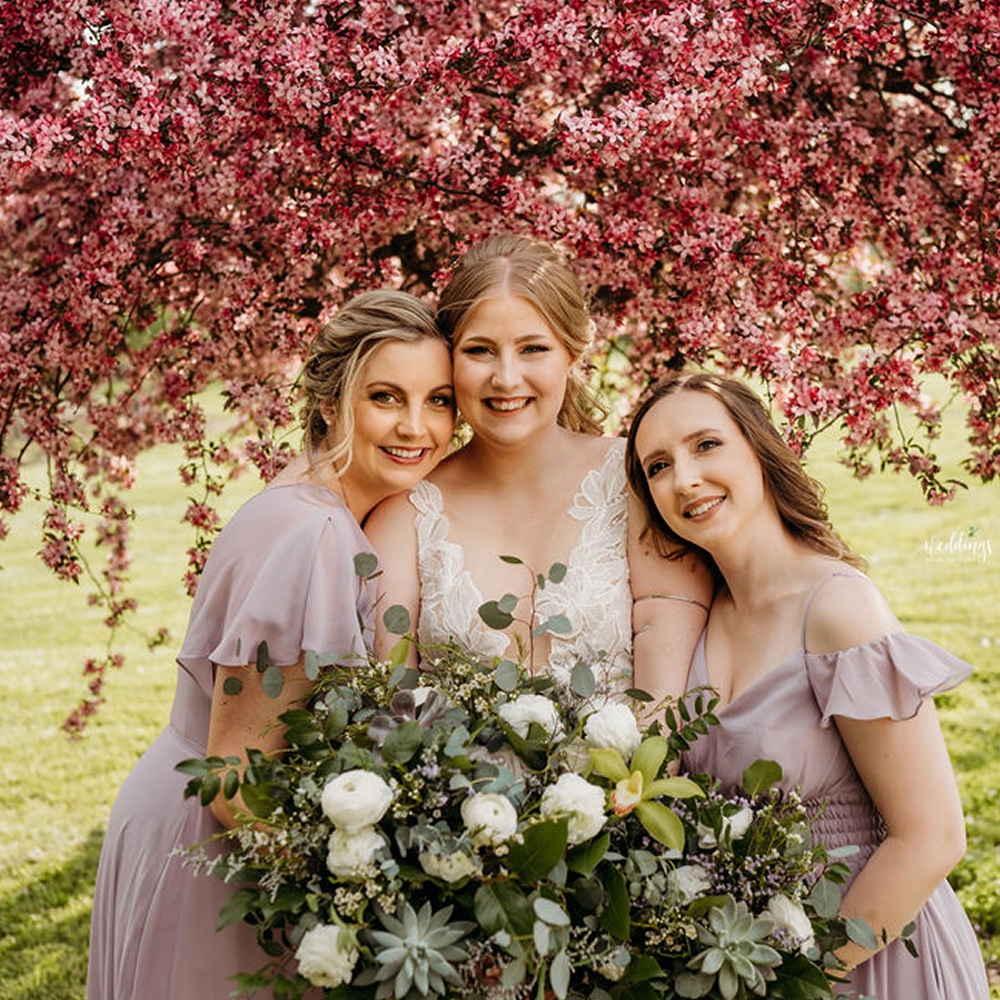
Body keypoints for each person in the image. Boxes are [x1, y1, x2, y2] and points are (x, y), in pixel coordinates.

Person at [87, 290, 454, 1000]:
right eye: (386, 397)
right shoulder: (310, 533)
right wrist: (354, 896)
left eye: (438, 400)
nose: (417, 426)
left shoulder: (311, 505)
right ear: (329, 404)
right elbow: (233, 772)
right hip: (212, 845)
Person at [625, 370, 990, 999]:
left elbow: (930, 837)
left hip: (867, 954)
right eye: (658, 466)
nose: (683, 478)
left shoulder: (836, 610)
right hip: (746, 962)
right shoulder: (700, 614)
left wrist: (809, 980)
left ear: (759, 451)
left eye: (706, 445)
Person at [365, 233, 711, 702]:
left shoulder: (637, 479)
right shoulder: (404, 517)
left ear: (572, 353)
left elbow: (665, 701)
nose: (506, 378)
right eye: (479, 350)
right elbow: (394, 706)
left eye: (533, 349)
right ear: (450, 360)